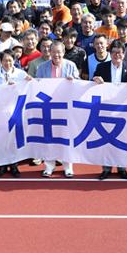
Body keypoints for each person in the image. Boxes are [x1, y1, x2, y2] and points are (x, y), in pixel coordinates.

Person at [91, 40, 127, 180]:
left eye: (119, 53)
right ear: (110, 53)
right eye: (113, 52)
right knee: (106, 139)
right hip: (105, 109)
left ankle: (122, 167)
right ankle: (106, 168)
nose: (116, 55)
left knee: (122, 139)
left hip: (123, 110)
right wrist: (95, 79)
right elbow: (92, 80)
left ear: (124, 54)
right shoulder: (102, 67)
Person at [34, 42, 79, 177]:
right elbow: (37, 86)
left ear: (63, 52)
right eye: (53, 51)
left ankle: (68, 166)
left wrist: (73, 81)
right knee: (48, 136)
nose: (56, 55)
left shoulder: (71, 66)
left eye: (59, 52)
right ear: (50, 52)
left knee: (66, 136)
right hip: (48, 107)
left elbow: (79, 84)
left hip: (66, 107)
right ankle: (49, 165)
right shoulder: (42, 67)